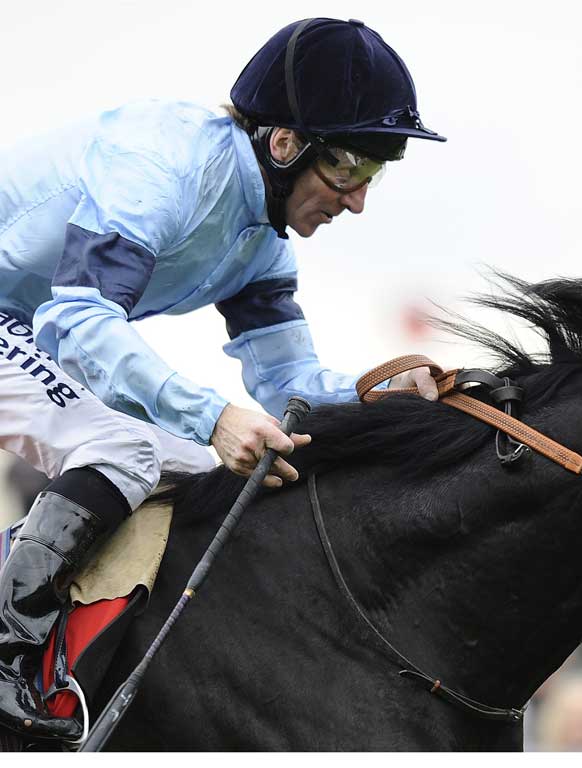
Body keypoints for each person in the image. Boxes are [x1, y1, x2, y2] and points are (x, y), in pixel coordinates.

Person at [0, 17, 443, 741]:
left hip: (24, 323)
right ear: (284, 143)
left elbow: (289, 384)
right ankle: (5, 652)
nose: (357, 199)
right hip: (27, 317)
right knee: (130, 451)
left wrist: (380, 393)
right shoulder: (165, 167)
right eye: (351, 169)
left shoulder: (260, 241)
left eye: (375, 174)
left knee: (198, 469)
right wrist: (211, 414)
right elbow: (75, 319)